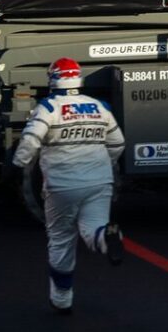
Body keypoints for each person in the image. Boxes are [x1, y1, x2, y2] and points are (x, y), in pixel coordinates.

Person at [12, 57, 126, 314]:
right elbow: (118, 143)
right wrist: (103, 164)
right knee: (93, 228)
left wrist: (19, 165)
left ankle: (62, 299)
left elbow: (30, 141)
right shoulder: (99, 106)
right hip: (100, 180)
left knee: (61, 239)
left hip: (63, 185)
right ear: (78, 78)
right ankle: (106, 239)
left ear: (53, 79)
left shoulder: (48, 107)